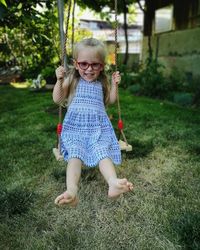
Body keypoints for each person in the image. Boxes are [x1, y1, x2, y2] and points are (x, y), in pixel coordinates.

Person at [53, 38, 133, 206]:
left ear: (102, 66)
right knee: (75, 154)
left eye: (95, 65)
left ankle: (113, 183)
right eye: (84, 64)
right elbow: (57, 99)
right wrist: (59, 81)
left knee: (102, 152)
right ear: (76, 64)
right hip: (75, 128)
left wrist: (114, 84)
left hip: (98, 128)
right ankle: (72, 191)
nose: (89, 69)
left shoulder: (101, 83)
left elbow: (111, 100)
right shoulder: (72, 80)